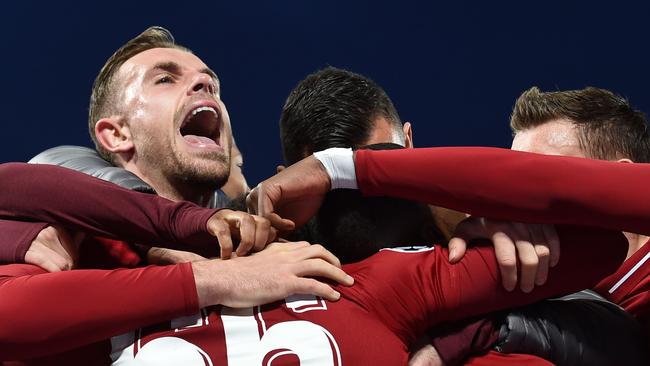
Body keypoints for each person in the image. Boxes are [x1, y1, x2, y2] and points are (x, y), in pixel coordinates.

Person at [0, 148, 632, 364]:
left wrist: (359, 172)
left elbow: (595, 240)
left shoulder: (351, 282)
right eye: (165, 76)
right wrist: (210, 273)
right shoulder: (91, 285)